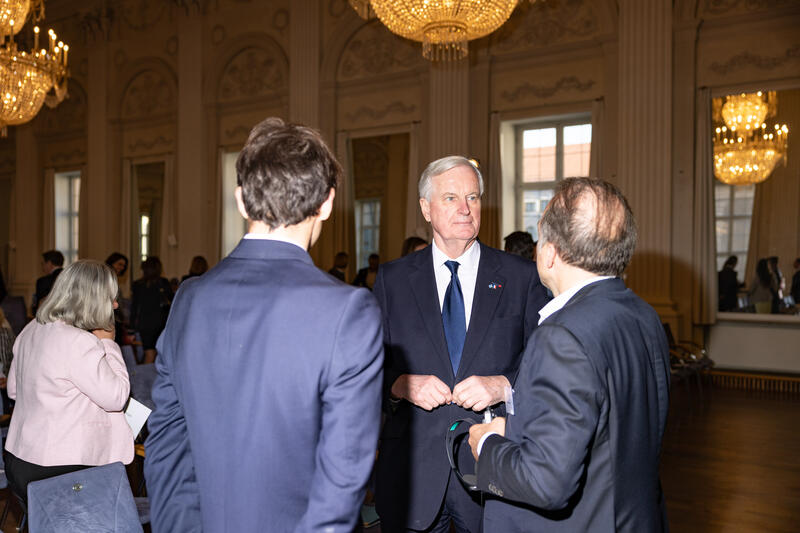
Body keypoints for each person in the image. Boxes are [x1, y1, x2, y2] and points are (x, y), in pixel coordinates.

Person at [144, 117, 384, 533]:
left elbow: (166, 444)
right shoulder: (348, 310)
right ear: (327, 202)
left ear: (240, 200)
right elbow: (342, 475)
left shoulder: (189, 299)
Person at [467, 177, 670, 532]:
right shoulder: (642, 313)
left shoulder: (562, 335)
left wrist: (489, 444)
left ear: (549, 253)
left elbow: (546, 483)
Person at [373, 155, 549, 532]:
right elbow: (369, 363)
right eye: (451, 198)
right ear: (426, 207)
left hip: (494, 474)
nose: (465, 209)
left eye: (473, 197)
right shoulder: (392, 279)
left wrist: (504, 384)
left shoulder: (521, 277)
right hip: (412, 474)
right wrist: (399, 383)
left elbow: (544, 359)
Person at [3, 260, 133, 502]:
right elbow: (116, 398)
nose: (115, 305)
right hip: (62, 468)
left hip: (20, 460)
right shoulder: (78, 341)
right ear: (91, 299)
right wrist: (108, 343)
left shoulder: (31, 329)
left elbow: (14, 391)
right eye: (110, 298)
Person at [131, 256, 172, 364]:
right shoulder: (163, 283)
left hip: (144, 324)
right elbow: (170, 303)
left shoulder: (137, 285)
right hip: (161, 323)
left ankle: (146, 379)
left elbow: (134, 307)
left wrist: (132, 327)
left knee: (149, 353)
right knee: (159, 354)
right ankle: (150, 379)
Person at [106, 252, 130, 346]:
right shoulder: (107, 278)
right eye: (119, 264)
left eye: (124, 266)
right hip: (110, 319)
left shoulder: (113, 278)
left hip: (116, 319)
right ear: (112, 262)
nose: (122, 268)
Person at [31, 250, 64, 316]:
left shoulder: (43, 281)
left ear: (49, 263)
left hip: (49, 318)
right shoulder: (71, 278)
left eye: (43, 264)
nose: (42, 267)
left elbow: (38, 307)